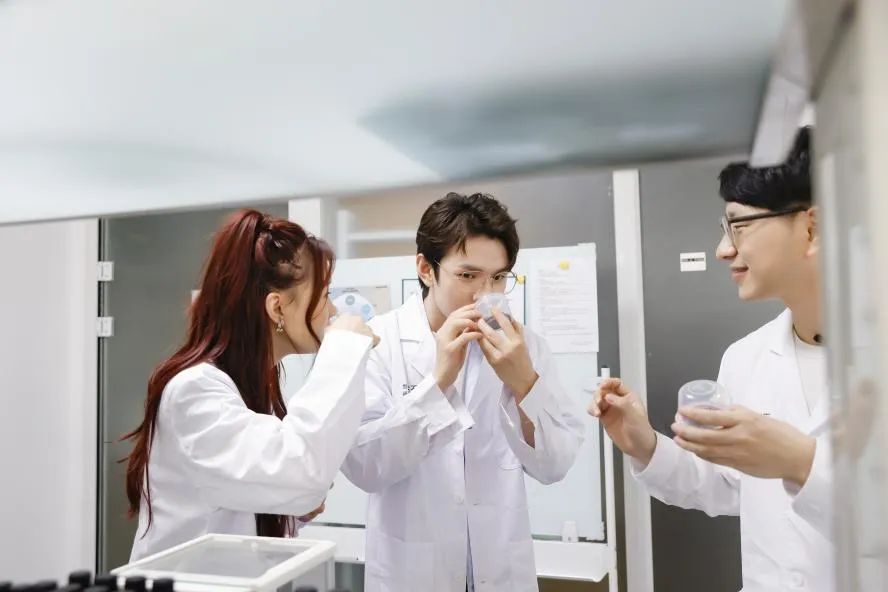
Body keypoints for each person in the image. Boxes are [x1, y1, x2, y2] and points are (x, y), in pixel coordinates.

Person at [590, 127, 833, 591]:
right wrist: (645, 444)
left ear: (811, 227)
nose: (723, 250)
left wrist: (802, 461)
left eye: (739, 227)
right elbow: (729, 484)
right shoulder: (745, 357)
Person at [342, 193, 586, 592]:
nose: (485, 294)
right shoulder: (380, 342)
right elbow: (364, 466)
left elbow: (555, 464)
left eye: (499, 277)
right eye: (468, 276)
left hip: (501, 573)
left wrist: (524, 383)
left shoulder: (527, 346)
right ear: (426, 269)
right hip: (413, 576)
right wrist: (437, 382)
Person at [124, 209, 378, 561]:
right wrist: (344, 348)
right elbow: (299, 471)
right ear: (277, 308)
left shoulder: (254, 388)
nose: (332, 310)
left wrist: (290, 508)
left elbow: (243, 495)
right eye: (323, 295)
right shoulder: (194, 390)